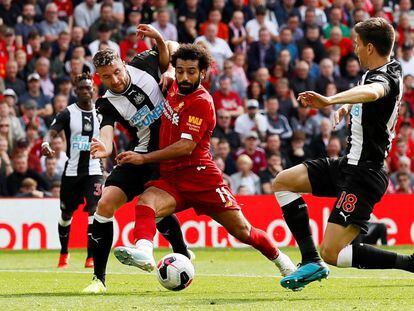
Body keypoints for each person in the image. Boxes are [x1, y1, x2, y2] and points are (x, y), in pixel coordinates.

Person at [110, 43, 296, 281]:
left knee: (243, 231)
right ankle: (145, 252)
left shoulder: (202, 101)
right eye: (180, 70)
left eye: (191, 71)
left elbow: (185, 147)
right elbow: (172, 46)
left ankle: (284, 263)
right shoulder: (175, 86)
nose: (184, 76)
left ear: (203, 73)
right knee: (146, 203)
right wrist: (165, 61)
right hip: (173, 178)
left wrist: (143, 158)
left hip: (202, 178)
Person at [272, 18, 414, 291]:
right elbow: (368, 95)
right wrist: (347, 108)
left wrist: (331, 100)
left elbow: (373, 92)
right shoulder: (386, 67)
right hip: (348, 164)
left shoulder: (384, 78)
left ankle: (409, 263)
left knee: (333, 253)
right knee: (284, 181)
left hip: (364, 174)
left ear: (370, 47)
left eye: (358, 44)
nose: (355, 49)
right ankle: (310, 260)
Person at [84, 25, 190, 293]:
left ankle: (182, 253)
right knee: (105, 205)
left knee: (155, 210)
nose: (116, 80)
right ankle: (99, 280)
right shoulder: (106, 103)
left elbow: (174, 47)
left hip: (167, 153)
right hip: (139, 153)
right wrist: (104, 148)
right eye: (107, 77)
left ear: (123, 63)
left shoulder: (144, 62)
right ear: (100, 78)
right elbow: (106, 134)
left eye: (117, 72)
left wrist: (166, 65)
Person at [41, 73, 104, 269]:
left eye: (89, 87)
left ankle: (90, 257)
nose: (86, 91)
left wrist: (112, 159)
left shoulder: (102, 113)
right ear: (75, 91)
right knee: (66, 214)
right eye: (82, 88)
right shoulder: (67, 113)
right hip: (72, 172)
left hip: (94, 169)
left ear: (93, 89)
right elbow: (53, 130)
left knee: (95, 210)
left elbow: (108, 138)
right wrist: (45, 142)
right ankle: (64, 253)